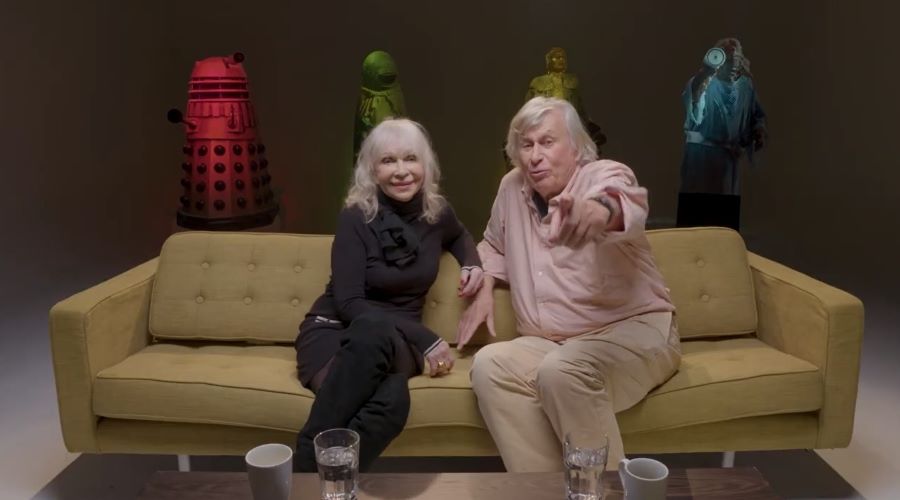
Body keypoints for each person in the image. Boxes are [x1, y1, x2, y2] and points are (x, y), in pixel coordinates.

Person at [457, 97, 680, 472]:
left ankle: (605, 493)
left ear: (576, 146)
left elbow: (624, 204)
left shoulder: (602, 175)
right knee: (489, 365)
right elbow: (494, 244)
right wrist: (485, 285)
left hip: (632, 331)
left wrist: (597, 212)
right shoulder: (511, 188)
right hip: (552, 343)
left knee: (562, 370)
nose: (535, 156)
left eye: (547, 142)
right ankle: (542, 491)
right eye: (526, 145)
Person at [294, 118, 483, 472]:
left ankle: (301, 469)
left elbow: (459, 235)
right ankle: (330, 481)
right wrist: (426, 338)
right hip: (336, 332)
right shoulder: (355, 218)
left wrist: (473, 263)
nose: (401, 171)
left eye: (410, 158)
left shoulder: (436, 212)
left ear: (426, 164)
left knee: (378, 337)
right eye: (388, 161)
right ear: (372, 169)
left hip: (398, 344)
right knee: (393, 400)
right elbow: (349, 303)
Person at [677, 37, 767, 230]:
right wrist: (705, 73)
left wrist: (758, 130)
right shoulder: (705, 83)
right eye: (728, 61)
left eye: (737, 60)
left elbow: (756, 115)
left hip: (727, 162)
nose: (733, 66)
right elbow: (694, 97)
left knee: (722, 222)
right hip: (700, 160)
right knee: (695, 217)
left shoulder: (745, 87)